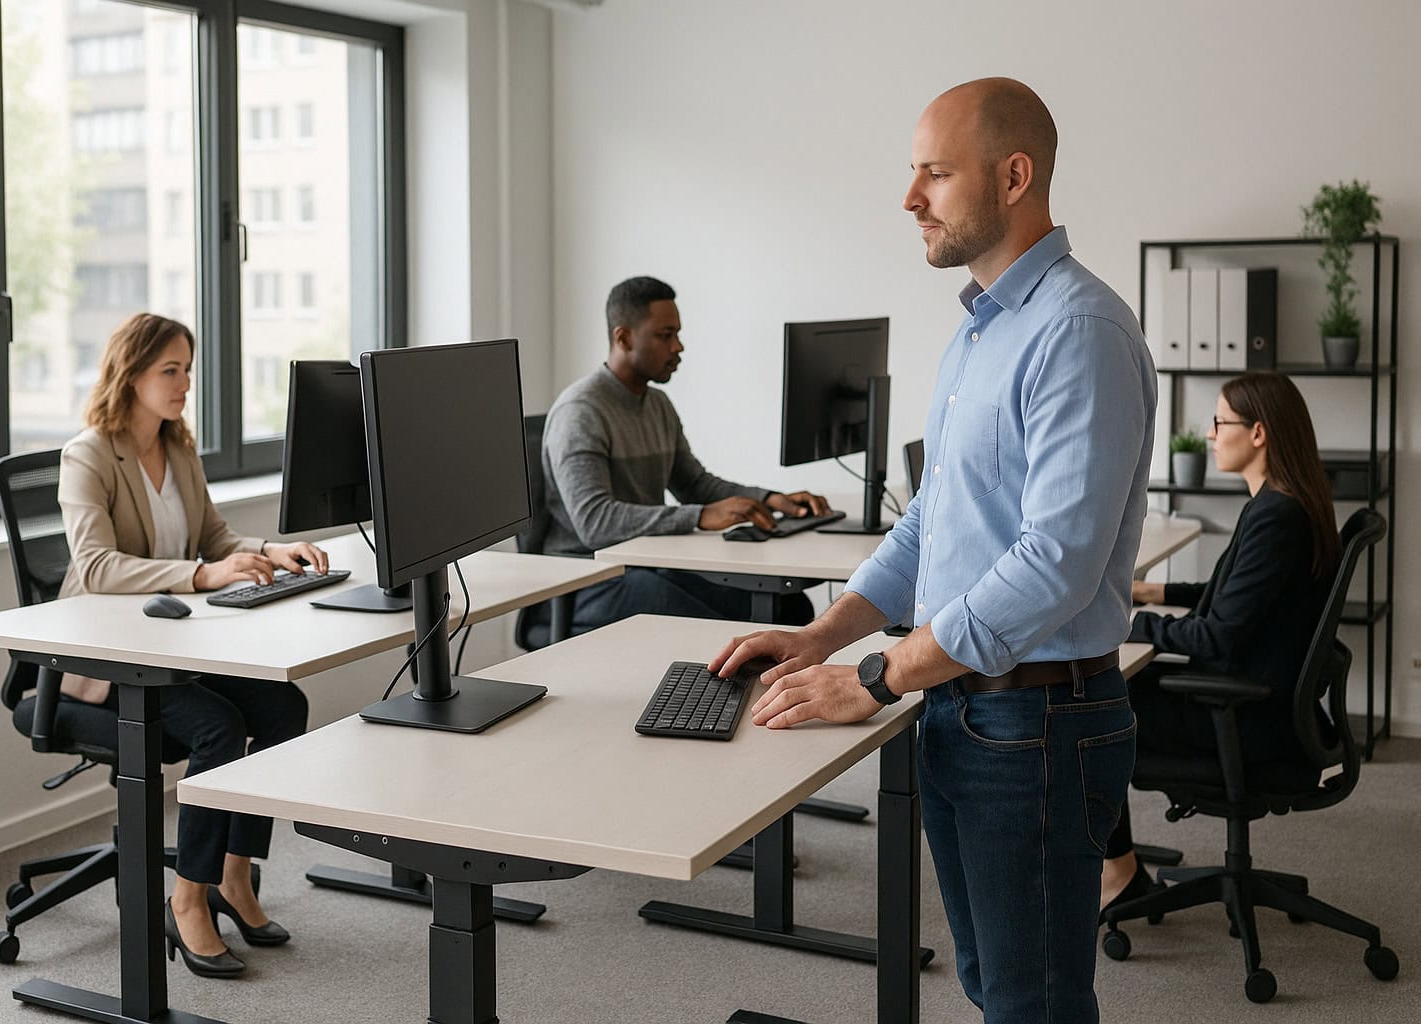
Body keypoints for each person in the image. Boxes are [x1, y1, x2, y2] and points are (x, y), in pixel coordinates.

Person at [709, 78, 1155, 1023]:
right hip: (964, 706)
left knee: (1032, 1003)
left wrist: (876, 676)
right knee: (994, 987)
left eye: (936, 174)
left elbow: (1056, 563)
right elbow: (931, 522)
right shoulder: (979, 332)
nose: (909, 197)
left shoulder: (1078, 331)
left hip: (1036, 725)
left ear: (1016, 175)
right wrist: (824, 636)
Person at [58, 313, 328, 978]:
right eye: (170, 371)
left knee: (282, 708)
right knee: (217, 728)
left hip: (173, 652)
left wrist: (270, 551)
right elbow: (97, 567)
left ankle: (235, 876)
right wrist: (204, 577)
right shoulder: (88, 455)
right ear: (133, 375)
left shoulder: (178, 448)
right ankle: (188, 900)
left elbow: (213, 537)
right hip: (105, 661)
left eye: (188, 369)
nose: (185, 384)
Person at [1101, 372, 1340, 913]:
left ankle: (1119, 874)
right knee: (1120, 685)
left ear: (1258, 433)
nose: (1210, 435)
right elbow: (1231, 595)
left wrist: (1123, 625)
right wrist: (1152, 590)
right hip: (1260, 697)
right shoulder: (1281, 505)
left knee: (1095, 703)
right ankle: (1119, 866)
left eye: (1219, 422)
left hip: (1246, 715)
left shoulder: (1277, 517)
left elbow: (1216, 635)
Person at [542, 275, 832, 632]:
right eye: (665, 336)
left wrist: (770, 499)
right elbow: (595, 523)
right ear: (624, 337)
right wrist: (697, 517)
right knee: (726, 629)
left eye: (677, 334)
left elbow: (694, 484)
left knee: (789, 608)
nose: (678, 346)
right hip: (587, 582)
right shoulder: (580, 412)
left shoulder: (657, 404)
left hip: (643, 565)